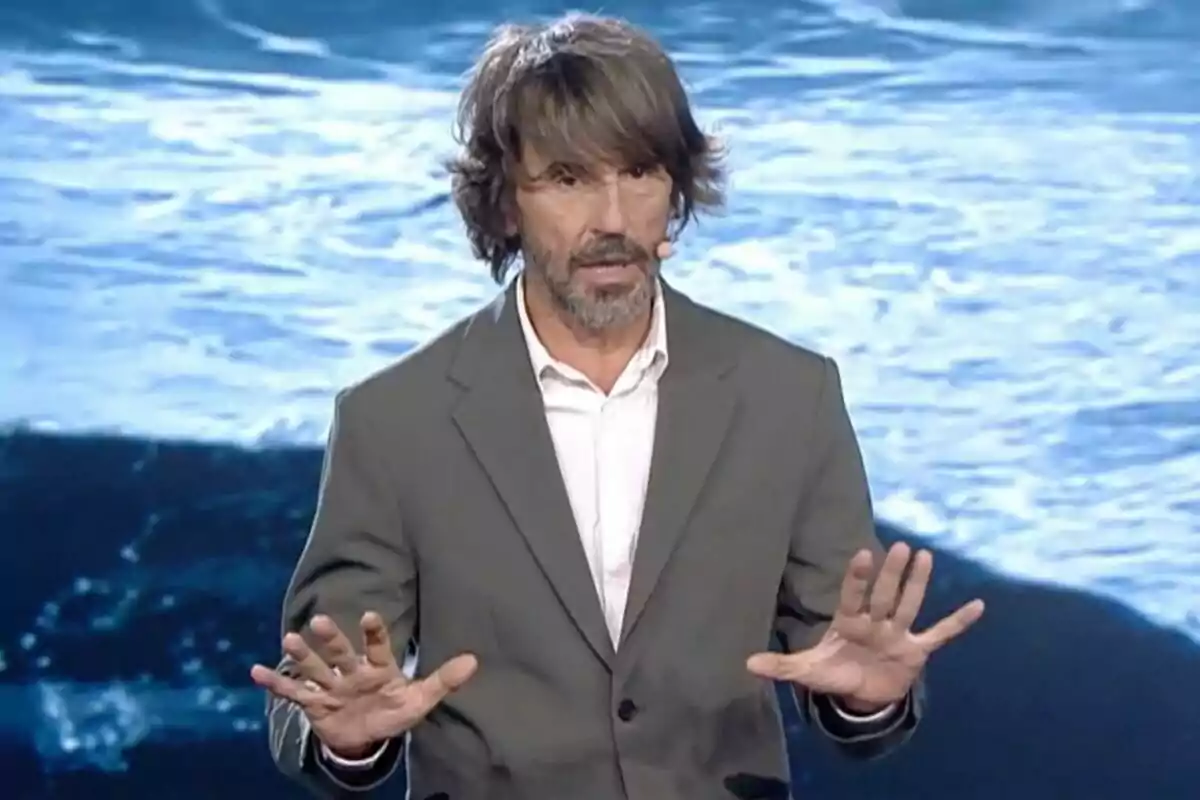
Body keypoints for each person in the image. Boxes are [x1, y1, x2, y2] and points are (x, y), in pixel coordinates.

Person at [250, 12, 985, 800]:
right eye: (567, 179)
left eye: (637, 173)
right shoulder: (395, 420)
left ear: (674, 192)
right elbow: (323, 683)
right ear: (504, 204)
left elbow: (838, 651)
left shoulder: (788, 394)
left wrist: (865, 701)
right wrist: (346, 742)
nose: (610, 220)